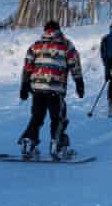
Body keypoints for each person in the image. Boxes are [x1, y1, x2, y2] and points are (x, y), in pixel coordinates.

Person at [18, 20, 85, 159]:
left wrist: (24, 85)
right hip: (55, 88)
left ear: (45, 30)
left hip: (37, 89)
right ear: (58, 30)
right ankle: (57, 145)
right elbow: (74, 64)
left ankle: (29, 141)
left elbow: (27, 66)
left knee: (37, 116)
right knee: (58, 118)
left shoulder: (36, 45)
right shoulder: (66, 45)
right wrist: (79, 82)